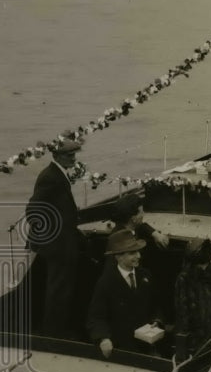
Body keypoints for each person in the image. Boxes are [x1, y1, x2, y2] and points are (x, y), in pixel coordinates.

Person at [25, 137, 84, 338]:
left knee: (61, 289)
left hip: (63, 244)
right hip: (58, 247)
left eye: (74, 154)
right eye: (69, 155)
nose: (74, 158)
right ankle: (54, 334)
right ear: (56, 156)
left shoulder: (59, 174)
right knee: (58, 291)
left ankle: (58, 329)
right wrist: (53, 238)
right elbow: (33, 212)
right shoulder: (50, 176)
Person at [86, 229, 163, 358]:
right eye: (132, 253)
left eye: (138, 251)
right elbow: (96, 318)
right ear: (118, 256)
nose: (138, 256)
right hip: (122, 349)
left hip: (147, 346)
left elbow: (156, 306)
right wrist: (104, 339)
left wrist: (157, 321)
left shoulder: (145, 275)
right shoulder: (106, 282)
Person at [172, 238, 211, 361]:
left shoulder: (187, 278)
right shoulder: (187, 279)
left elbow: (182, 313)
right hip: (200, 344)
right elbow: (183, 317)